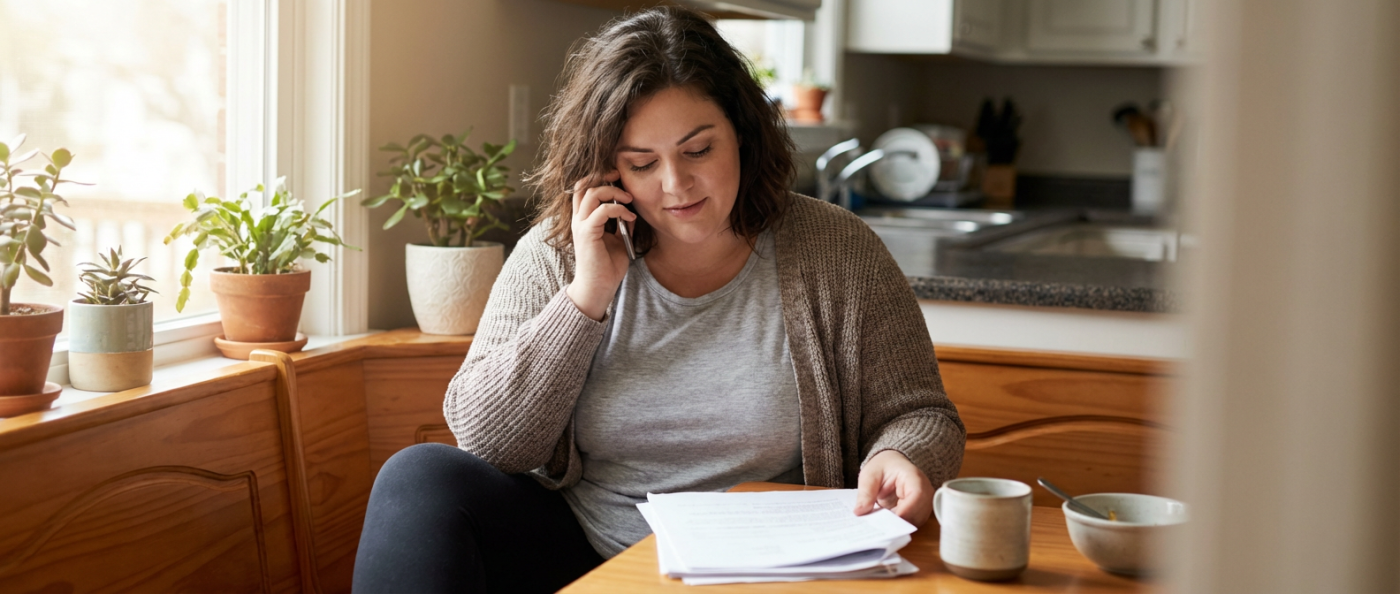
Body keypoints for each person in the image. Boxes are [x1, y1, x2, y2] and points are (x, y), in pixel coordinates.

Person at [351, 7, 964, 593]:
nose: (676, 185)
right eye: (642, 164)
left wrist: (901, 455)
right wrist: (586, 298)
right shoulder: (559, 252)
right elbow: (489, 442)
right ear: (606, 171)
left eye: (699, 150)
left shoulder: (837, 250)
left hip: (772, 564)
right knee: (418, 478)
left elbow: (923, 414)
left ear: (743, 136)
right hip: (590, 554)